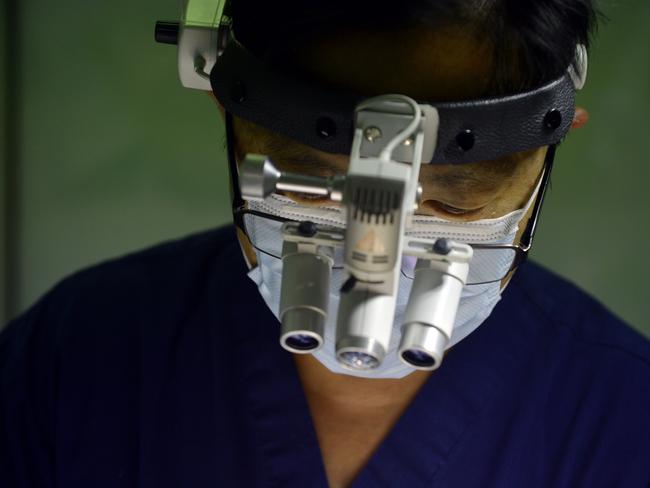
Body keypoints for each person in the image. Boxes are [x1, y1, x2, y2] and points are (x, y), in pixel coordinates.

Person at [1, 1, 649, 487]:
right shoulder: (69, 367)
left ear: (553, 137)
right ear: (229, 110)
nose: (378, 257)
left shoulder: (622, 419)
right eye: (311, 180)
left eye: (454, 199)